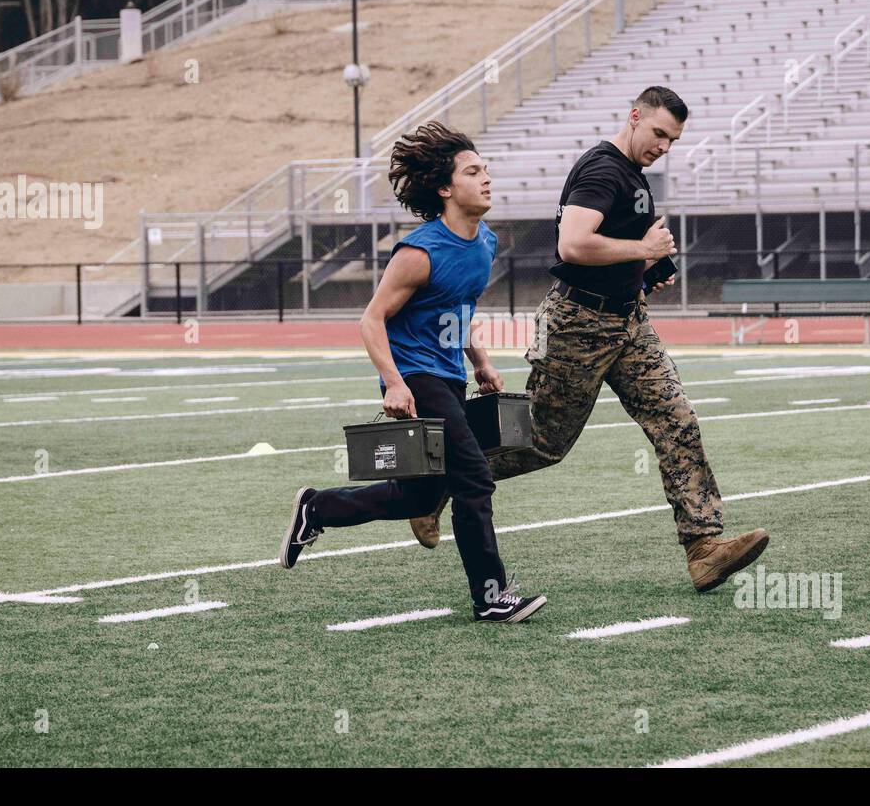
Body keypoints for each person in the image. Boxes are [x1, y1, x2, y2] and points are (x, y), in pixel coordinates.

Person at [409, 87, 769, 593]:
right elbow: (573, 243)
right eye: (659, 133)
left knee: (677, 420)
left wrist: (644, 267)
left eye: (674, 140)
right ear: (635, 117)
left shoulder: (633, 175)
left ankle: (703, 547)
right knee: (543, 442)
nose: (665, 145)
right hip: (579, 322)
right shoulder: (603, 169)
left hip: (627, 321)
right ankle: (436, 486)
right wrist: (642, 245)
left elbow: (613, 247)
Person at [279, 121, 546, 623]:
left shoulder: (484, 242)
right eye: (473, 171)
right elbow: (371, 320)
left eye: (486, 169)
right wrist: (396, 383)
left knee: (417, 494)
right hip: (417, 378)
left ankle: (316, 509)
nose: (486, 178)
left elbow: (458, 309)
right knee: (474, 479)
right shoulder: (419, 252)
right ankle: (490, 597)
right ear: (445, 188)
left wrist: (481, 362)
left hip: (448, 377)